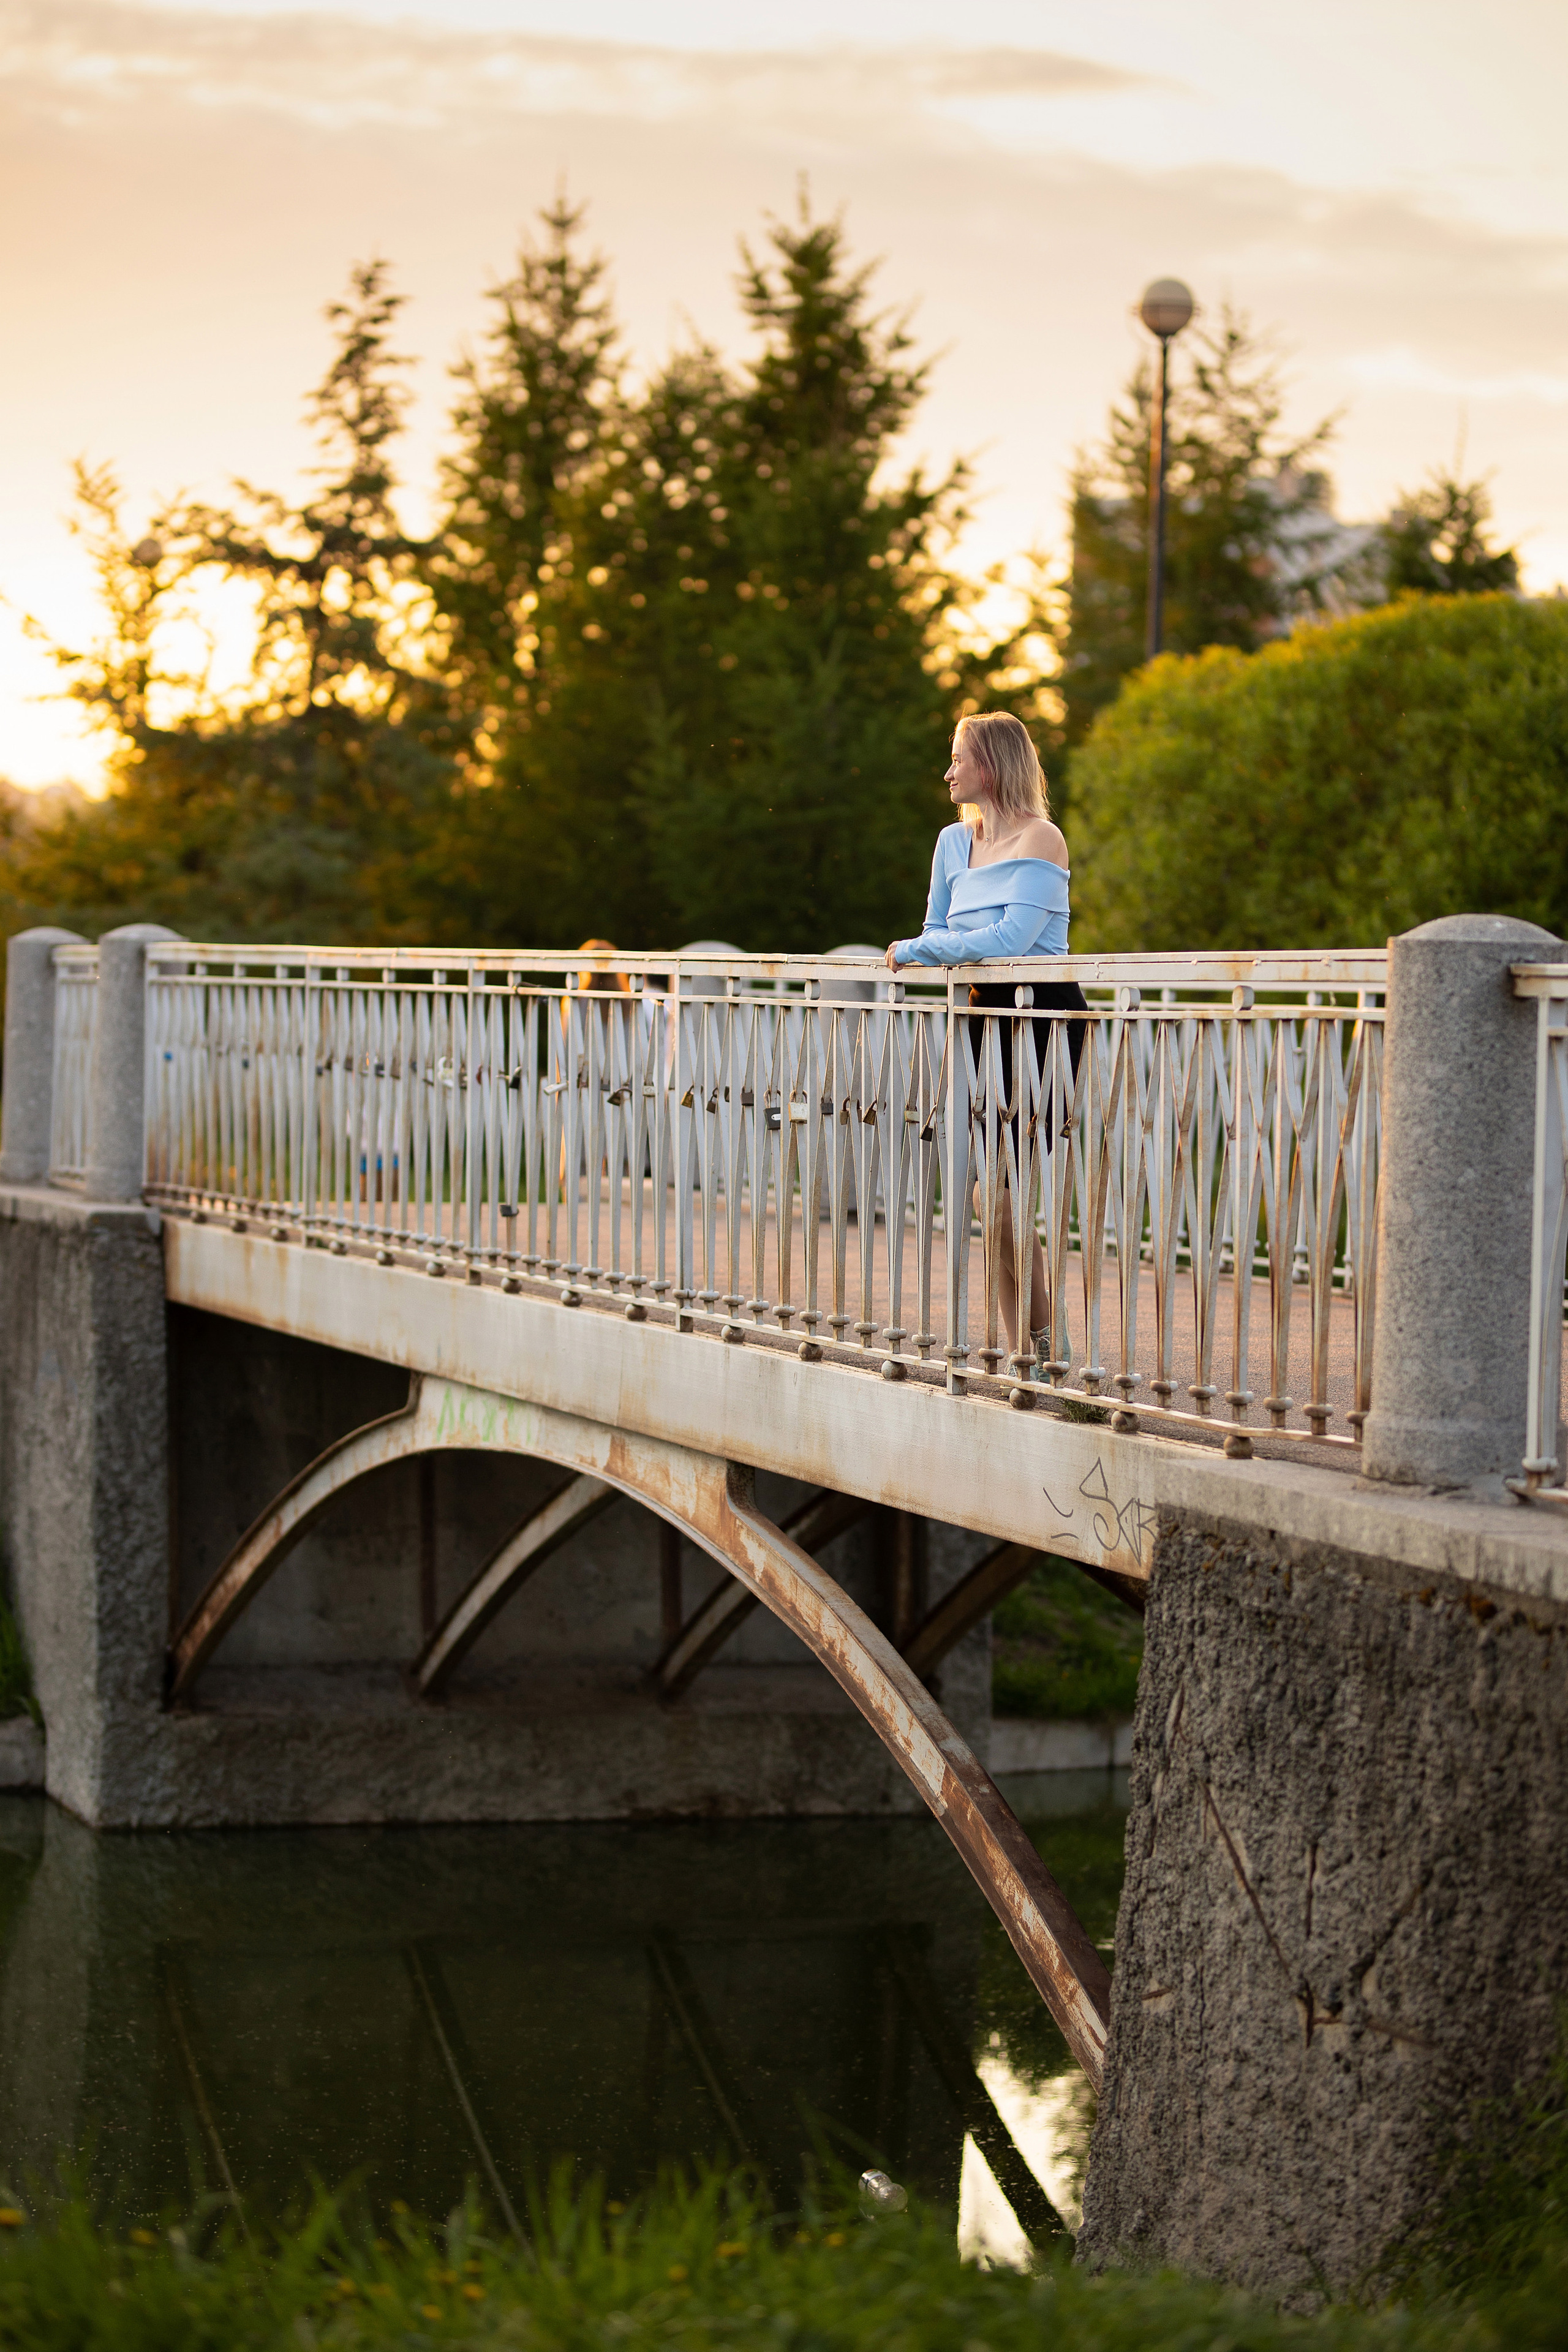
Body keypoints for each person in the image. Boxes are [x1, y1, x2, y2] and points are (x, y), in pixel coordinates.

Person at [884, 711, 1086, 1370]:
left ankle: (1045, 1344)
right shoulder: (951, 842)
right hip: (978, 1020)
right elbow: (939, 925)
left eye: (957, 760)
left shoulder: (1042, 838)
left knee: (1003, 1200)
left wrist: (919, 951)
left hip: (1040, 1021)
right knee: (985, 1200)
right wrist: (928, 947)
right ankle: (1025, 1354)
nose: (947, 773)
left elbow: (1010, 940)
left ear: (991, 765)